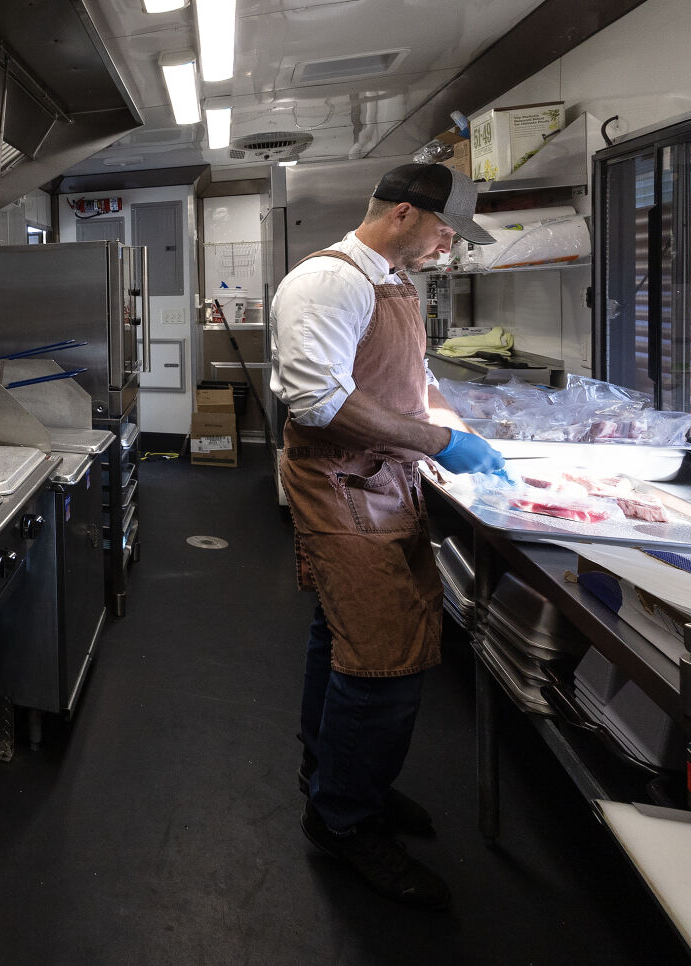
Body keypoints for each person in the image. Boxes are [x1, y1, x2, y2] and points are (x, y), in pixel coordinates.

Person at [270, 163, 508, 909]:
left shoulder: (394, 280)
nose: (448, 244)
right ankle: (343, 819)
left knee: (339, 634)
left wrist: (451, 422)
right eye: (444, 229)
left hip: (385, 476)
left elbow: (403, 373)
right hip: (342, 478)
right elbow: (318, 403)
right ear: (405, 213)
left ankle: (337, 778)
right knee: (384, 657)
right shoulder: (329, 282)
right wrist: (438, 444)